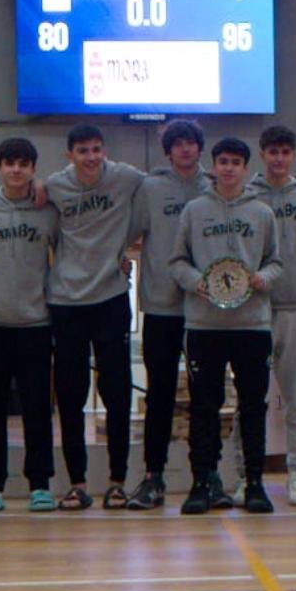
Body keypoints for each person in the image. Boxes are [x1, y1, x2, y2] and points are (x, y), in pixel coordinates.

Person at [169, 137, 282, 514]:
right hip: (205, 324)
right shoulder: (194, 210)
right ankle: (202, 482)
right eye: (222, 161)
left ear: (246, 168)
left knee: (253, 405)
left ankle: (254, 483)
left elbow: (277, 261)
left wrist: (264, 277)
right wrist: (195, 282)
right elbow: (177, 261)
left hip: (252, 325)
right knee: (204, 405)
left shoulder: (262, 212)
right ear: (212, 166)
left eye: (236, 161)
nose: (229, 168)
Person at [45, 124, 144, 510]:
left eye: (97, 150)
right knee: (70, 396)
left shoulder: (125, 177)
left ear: (105, 151)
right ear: (69, 155)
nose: (91, 157)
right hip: (67, 302)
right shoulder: (53, 186)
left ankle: (118, 481)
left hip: (111, 298)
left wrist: (128, 245)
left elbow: (155, 194)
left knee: (117, 394)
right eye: (83, 151)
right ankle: (77, 482)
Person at [0, 138, 59, 512]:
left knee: (38, 407)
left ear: (33, 168)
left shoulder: (48, 211)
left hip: (36, 323)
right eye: (10, 163)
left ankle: (40, 484)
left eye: (24, 163)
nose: (17, 170)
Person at [125, 120, 208, 511]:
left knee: (204, 397)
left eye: (192, 143)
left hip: (206, 310)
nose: (186, 149)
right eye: (179, 144)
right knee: (159, 394)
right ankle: (152, 477)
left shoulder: (215, 186)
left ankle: (206, 477)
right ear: (169, 150)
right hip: (161, 305)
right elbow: (129, 233)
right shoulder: (151, 187)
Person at [242, 125, 296, 505]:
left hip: (294, 305)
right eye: (272, 151)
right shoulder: (246, 194)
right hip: (252, 309)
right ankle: (246, 474)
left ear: (293, 155)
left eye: (285, 152)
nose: (278, 158)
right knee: (250, 396)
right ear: (262, 153)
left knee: (295, 396)